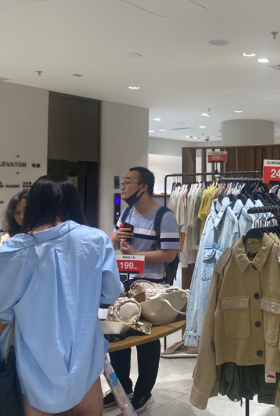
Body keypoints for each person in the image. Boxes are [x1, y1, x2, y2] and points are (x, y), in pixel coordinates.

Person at [0, 175, 122, 416]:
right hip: (84, 354)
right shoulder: (96, 239)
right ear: (73, 202)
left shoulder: (14, 249)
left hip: (35, 360)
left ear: (33, 204)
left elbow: (3, 308)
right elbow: (110, 292)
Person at [105, 167, 180, 411]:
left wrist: (137, 255)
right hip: (122, 286)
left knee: (147, 340)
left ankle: (143, 392)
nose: (123, 187)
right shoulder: (127, 212)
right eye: (123, 182)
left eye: (128, 182)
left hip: (149, 289)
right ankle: (121, 388)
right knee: (118, 335)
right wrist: (116, 238)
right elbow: (115, 242)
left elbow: (169, 254)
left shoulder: (164, 216)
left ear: (143, 187)